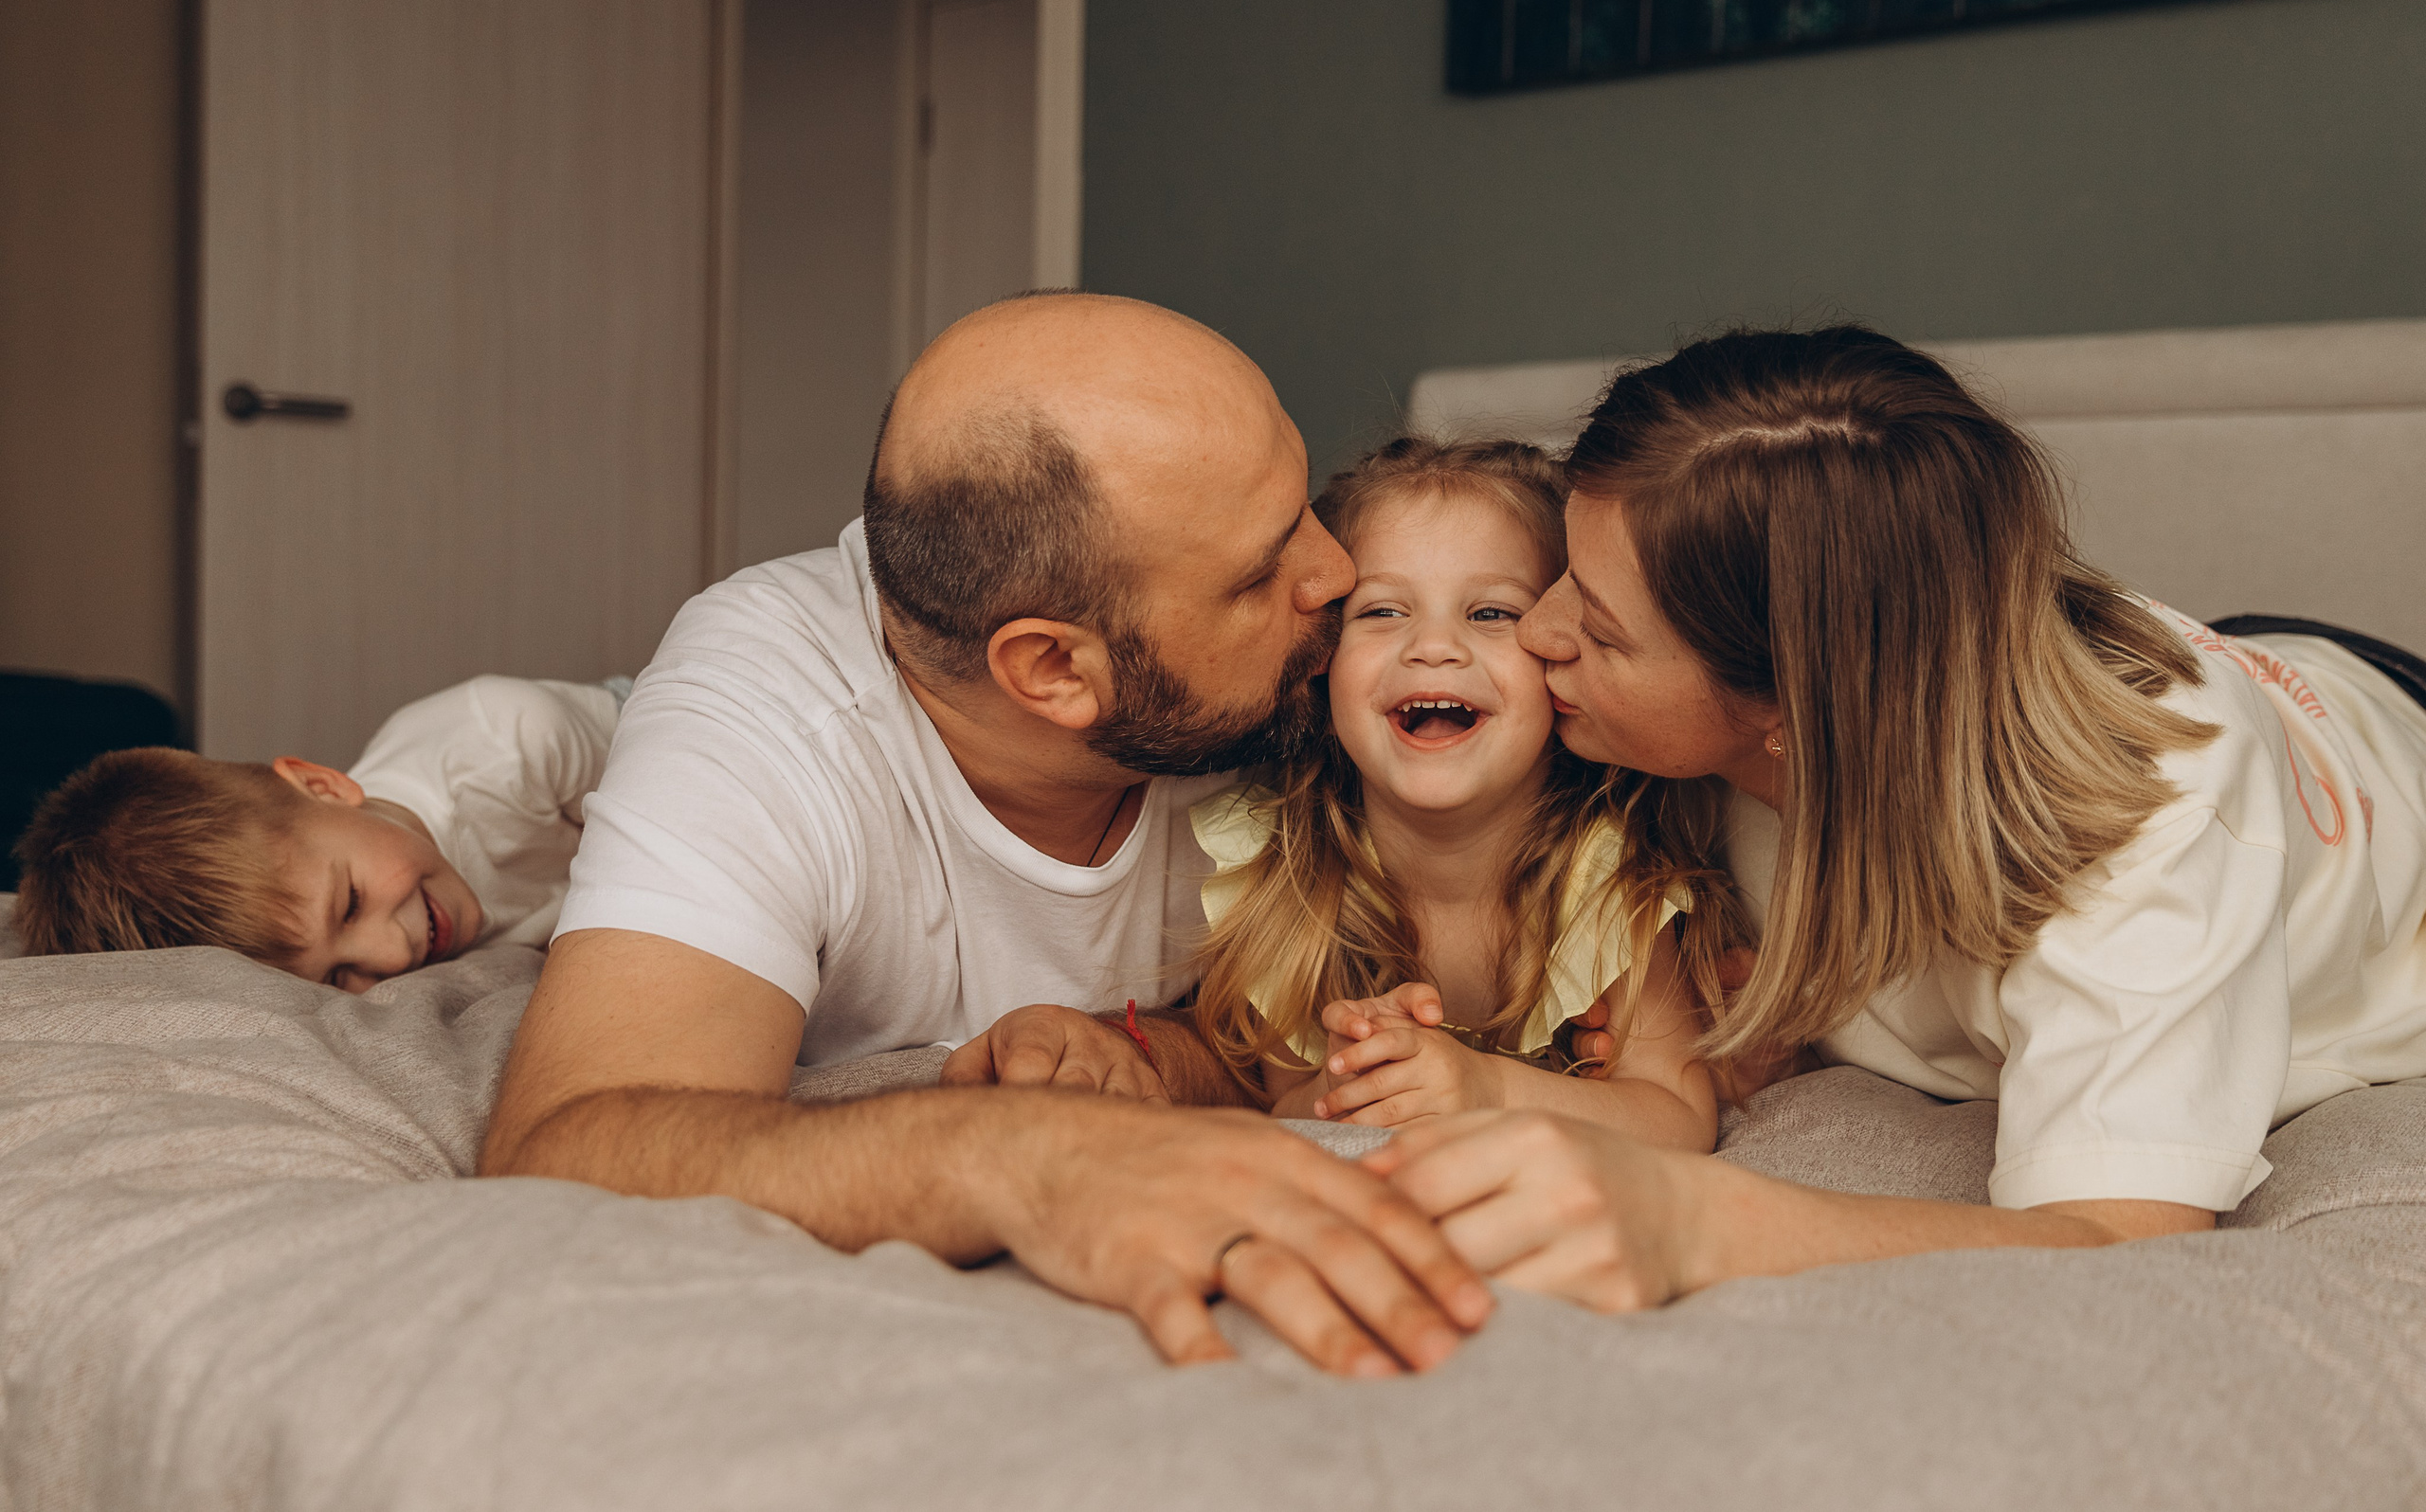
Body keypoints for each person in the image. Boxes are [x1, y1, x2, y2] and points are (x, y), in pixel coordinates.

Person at [478, 294, 1494, 1376]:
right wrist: (1016, 1159)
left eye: (1303, 503)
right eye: (1259, 573)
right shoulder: (774, 707)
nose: (1337, 573)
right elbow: (569, 1147)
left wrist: (1151, 1058)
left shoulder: (1328, 672)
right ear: (1054, 670)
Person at [1361, 325, 2426, 1312]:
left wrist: (1693, 1220)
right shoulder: (1706, 690)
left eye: (1593, 628)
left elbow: (2117, 1238)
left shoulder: (2159, 830)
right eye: (1556, 582)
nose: (1535, 636)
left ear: (1793, 710)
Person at [1188, 435, 1740, 1146]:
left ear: (1565, 650)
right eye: (1383, 611)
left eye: (1491, 614)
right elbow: (1284, 1100)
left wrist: (1488, 1087)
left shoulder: (1603, 875)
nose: (1434, 645)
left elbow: (1677, 1114)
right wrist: (1343, 1085)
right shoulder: (1280, 867)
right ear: (1322, 659)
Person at [11, 675, 624, 990]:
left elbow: (706, 799)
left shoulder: (509, 741)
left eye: (350, 903)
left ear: (325, 787)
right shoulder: (384, 936)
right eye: (335, 978)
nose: (391, 954)